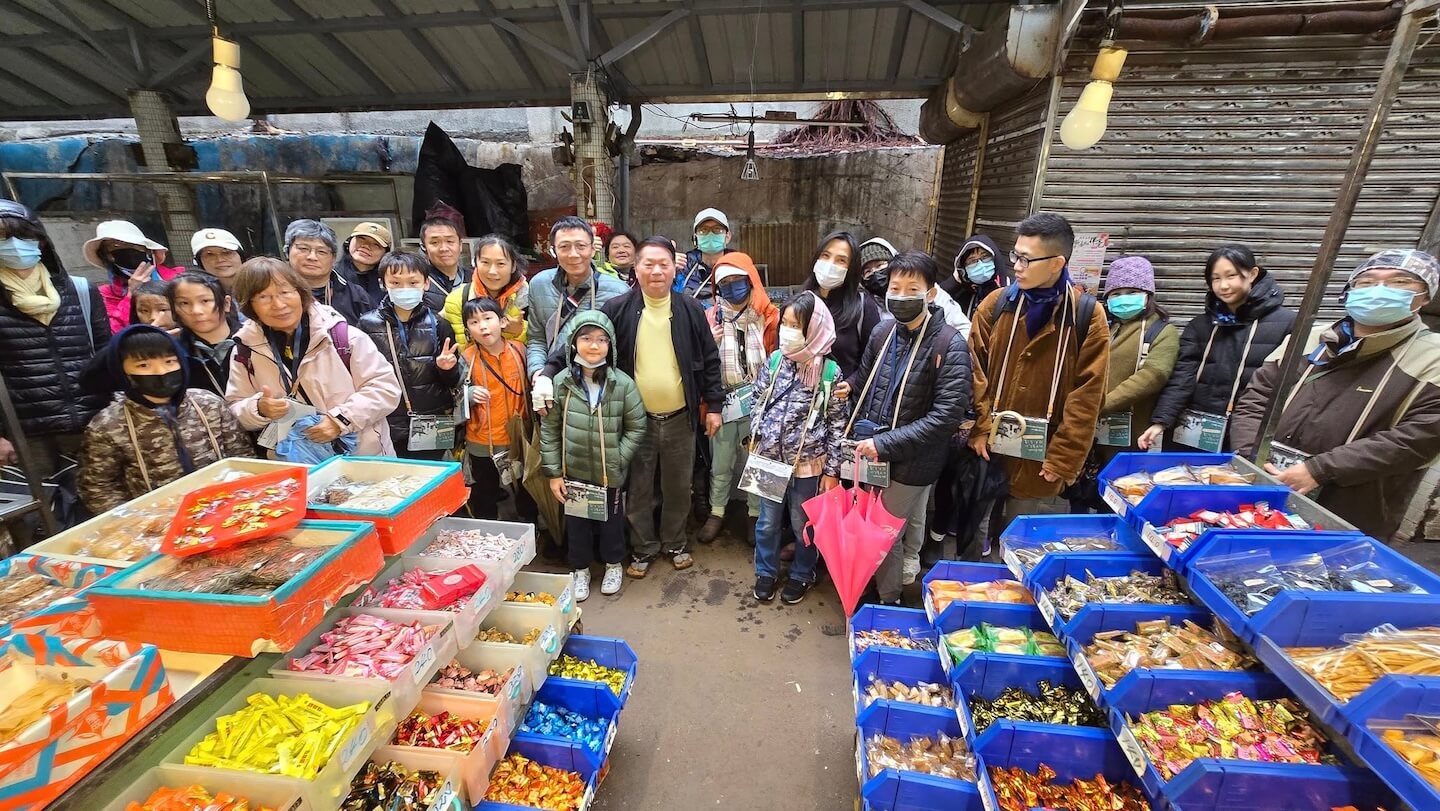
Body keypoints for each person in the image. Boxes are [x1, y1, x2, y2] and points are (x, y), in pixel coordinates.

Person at [538, 237, 722, 575]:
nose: (656, 271)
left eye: (663, 264)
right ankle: (643, 547)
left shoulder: (690, 309)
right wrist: (548, 373)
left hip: (680, 419)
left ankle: (675, 541)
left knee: (678, 487)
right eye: (648, 264)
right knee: (638, 487)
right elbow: (580, 339)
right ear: (635, 269)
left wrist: (714, 405)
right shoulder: (618, 309)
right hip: (634, 421)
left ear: (675, 268)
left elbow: (710, 359)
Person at [1232, 249, 1440, 543]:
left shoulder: (1432, 357)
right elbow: (1257, 398)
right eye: (1367, 282)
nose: (1379, 290)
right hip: (1268, 481)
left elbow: (1418, 438)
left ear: (1425, 296)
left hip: (1353, 505)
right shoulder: (1307, 338)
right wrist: (1250, 455)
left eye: (1400, 282)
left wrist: (1319, 470)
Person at [968, 213, 1110, 531]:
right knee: (975, 533)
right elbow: (974, 371)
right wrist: (979, 427)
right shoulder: (997, 303)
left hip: (1040, 457)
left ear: (1058, 263)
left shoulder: (1087, 315)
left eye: (1026, 259)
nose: (1016, 266)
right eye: (1015, 256)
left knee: (1022, 536)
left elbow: (1088, 394)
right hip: (989, 448)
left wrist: (1064, 456)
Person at [848, 251, 972, 605]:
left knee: (883, 530)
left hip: (914, 462)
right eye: (895, 288)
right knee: (874, 524)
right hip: (874, 451)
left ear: (931, 293)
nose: (901, 296)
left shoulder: (950, 344)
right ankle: (873, 585)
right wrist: (849, 389)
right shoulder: (883, 332)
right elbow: (865, 383)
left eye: (912, 289)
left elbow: (946, 416)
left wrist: (885, 444)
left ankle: (888, 599)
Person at [0, 199, 111, 543]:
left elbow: (106, 354)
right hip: (25, 436)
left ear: (41, 241)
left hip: (92, 423)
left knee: (105, 512)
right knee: (44, 523)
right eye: (3, 239)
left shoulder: (80, 290)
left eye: (24, 237)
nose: (16, 246)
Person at [226, 257, 402, 456]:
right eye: (263, 297)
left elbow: (385, 388)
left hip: (362, 457)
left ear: (300, 293)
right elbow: (234, 407)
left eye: (285, 292)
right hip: (295, 462)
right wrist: (258, 408)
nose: (278, 304)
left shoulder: (343, 337)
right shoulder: (245, 350)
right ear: (249, 305)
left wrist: (341, 420)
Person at [77, 325, 253, 513]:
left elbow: (241, 455)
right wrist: (139, 521)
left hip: (227, 508)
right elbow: (98, 488)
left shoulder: (208, 403)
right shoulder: (107, 425)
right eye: (143, 365)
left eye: (170, 361)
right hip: (158, 518)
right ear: (122, 371)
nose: (161, 371)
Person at [1142, 245, 1296, 453]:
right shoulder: (1200, 326)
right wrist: (1161, 421)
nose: (1223, 285)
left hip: (1249, 435)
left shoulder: (1288, 324)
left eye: (1231, 276)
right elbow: (1182, 377)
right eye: (1215, 279)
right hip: (1194, 433)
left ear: (1252, 274)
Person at [749, 291, 847, 604]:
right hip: (770, 460)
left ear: (814, 330)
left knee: (802, 523)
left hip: (808, 465)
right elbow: (757, 399)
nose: (787, 332)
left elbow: (837, 426)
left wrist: (832, 471)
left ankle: (803, 573)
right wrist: (758, 436)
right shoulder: (776, 360)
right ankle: (765, 571)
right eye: (785, 324)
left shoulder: (829, 373)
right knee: (767, 522)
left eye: (796, 326)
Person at [541, 311, 647, 600]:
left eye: (602, 340)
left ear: (610, 345)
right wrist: (554, 473)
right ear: (573, 343)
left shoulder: (622, 384)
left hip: (609, 474)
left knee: (612, 523)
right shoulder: (561, 383)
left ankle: (613, 565)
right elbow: (549, 430)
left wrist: (618, 458)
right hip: (573, 474)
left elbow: (637, 426)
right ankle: (580, 569)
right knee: (577, 527)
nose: (594, 346)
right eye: (586, 338)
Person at [697, 252, 779, 545]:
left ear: (750, 279)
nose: (732, 287)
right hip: (723, 402)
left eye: (738, 280)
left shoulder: (769, 317)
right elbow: (698, 360)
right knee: (721, 463)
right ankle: (717, 511)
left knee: (756, 461)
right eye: (725, 283)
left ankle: (755, 514)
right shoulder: (709, 317)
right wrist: (709, 342)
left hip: (760, 402)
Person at [357, 252, 461, 460]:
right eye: (396, 282)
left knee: (432, 472)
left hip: (433, 419)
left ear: (426, 283)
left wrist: (447, 369)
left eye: (413, 282)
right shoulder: (367, 325)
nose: (405, 289)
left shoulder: (439, 324)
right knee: (395, 474)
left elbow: (453, 381)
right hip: (388, 421)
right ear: (383, 284)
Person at [460, 297, 539, 521]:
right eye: (474, 322)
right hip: (482, 441)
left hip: (519, 439)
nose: (483, 326)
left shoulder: (520, 351)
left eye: (488, 318)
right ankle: (486, 533)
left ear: (502, 321)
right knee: (484, 494)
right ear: (467, 329)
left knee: (527, 491)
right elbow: (453, 395)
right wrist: (468, 395)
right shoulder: (467, 358)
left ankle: (531, 530)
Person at [1095, 256, 1179, 462]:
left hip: (1130, 430)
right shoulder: (1105, 328)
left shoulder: (1162, 331)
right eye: (1116, 294)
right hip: (1093, 426)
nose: (1123, 298)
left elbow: (1152, 375)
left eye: (1132, 292)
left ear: (1147, 295)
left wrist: (1100, 405)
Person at [525, 217, 628, 378]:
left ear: (593, 249)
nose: (573, 254)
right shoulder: (539, 284)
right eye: (564, 247)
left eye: (580, 246)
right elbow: (537, 338)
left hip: (599, 380)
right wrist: (537, 371)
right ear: (553, 251)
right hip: (552, 379)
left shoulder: (618, 291)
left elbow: (622, 346)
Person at [802, 231, 881, 379]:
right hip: (798, 391)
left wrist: (852, 383)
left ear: (851, 268)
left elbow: (874, 359)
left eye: (841, 260)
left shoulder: (863, 307)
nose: (830, 264)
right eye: (825, 255)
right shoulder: (800, 302)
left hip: (842, 392)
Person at [83, 220, 183, 333]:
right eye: (115, 246)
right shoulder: (104, 295)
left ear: (148, 250)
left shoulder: (180, 278)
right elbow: (111, 333)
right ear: (107, 256)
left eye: (134, 245)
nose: (128, 251)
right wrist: (131, 294)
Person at [445, 234, 529, 349]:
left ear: (513, 266)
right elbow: (462, 348)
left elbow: (538, 344)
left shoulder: (527, 296)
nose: (492, 271)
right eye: (485, 262)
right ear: (475, 263)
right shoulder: (457, 300)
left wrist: (519, 332)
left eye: (500, 264)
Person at [284, 219, 371, 325]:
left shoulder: (356, 296)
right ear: (287, 251)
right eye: (303, 248)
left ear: (333, 258)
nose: (312, 257)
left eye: (321, 251)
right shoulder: (272, 290)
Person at [167, 271, 237, 395]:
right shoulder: (173, 352)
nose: (196, 311)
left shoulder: (255, 340)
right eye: (184, 303)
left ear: (226, 303)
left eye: (205, 301)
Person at [674, 208, 737, 307]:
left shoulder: (738, 267)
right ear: (695, 238)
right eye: (704, 230)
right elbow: (669, 299)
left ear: (727, 236)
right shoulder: (685, 266)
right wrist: (667, 267)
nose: (710, 234)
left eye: (717, 230)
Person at [941, 234, 1010, 319]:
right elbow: (934, 301)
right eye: (972, 261)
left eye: (985, 257)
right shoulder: (963, 294)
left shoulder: (1010, 293)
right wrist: (955, 280)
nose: (980, 265)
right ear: (964, 269)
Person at [420, 209, 470, 303]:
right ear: (424, 247)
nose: (444, 248)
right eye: (435, 242)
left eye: (450, 241)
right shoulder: (418, 282)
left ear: (460, 245)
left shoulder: (475, 279)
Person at [338, 222, 392, 303]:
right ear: (348, 242)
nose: (366, 246)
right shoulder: (332, 275)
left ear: (385, 253)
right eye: (361, 239)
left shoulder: (390, 280)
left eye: (376, 244)